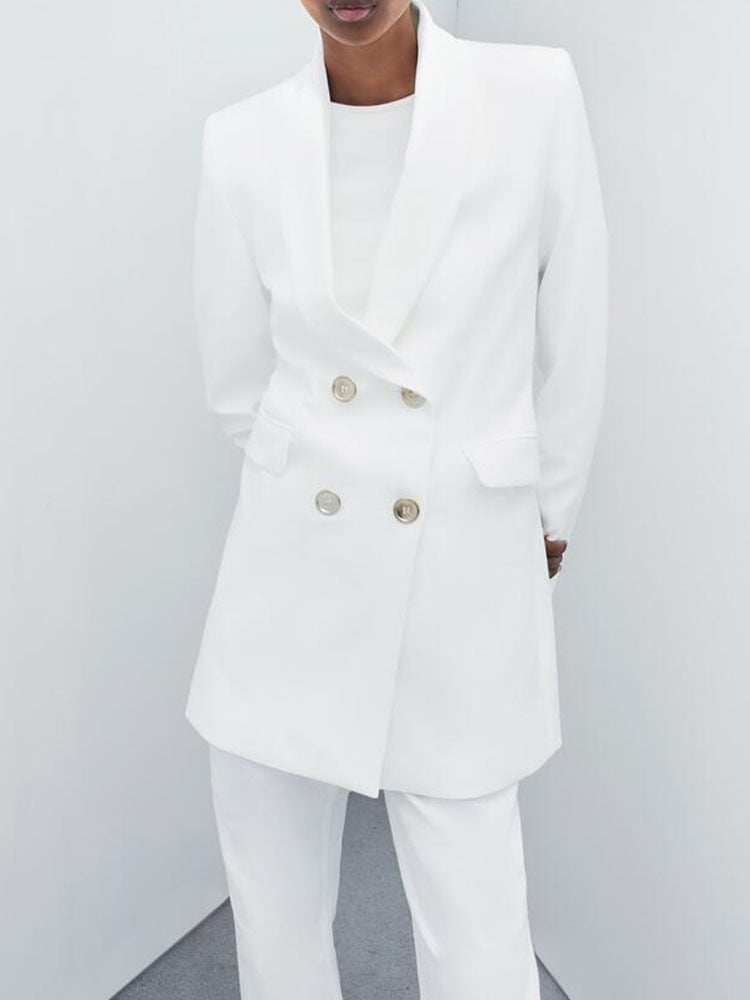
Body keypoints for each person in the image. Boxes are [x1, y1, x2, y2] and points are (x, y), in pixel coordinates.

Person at [186, 1, 608, 997]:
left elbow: (575, 319)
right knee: (271, 880)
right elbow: (237, 383)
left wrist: (548, 511)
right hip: (291, 566)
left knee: (472, 894)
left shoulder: (531, 95)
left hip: (459, 549)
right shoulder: (240, 142)